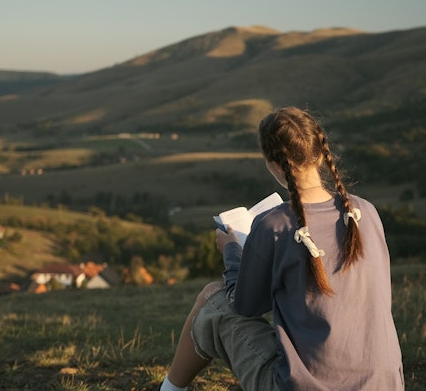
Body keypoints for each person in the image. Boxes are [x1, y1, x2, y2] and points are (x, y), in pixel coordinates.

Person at [160, 107, 404, 391]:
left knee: (213, 299)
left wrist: (232, 251)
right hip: (384, 385)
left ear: (274, 164)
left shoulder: (275, 224)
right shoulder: (366, 212)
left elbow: (246, 305)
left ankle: (169, 389)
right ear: (319, 151)